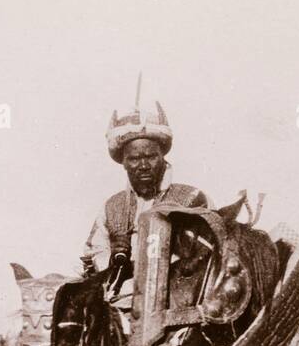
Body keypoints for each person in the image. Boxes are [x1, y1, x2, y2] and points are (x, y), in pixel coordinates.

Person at [81, 101, 207, 320]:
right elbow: (92, 253)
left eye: (150, 156)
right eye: (134, 159)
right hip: (120, 306)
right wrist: (112, 260)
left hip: (178, 307)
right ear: (124, 163)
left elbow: (203, 256)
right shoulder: (112, 207)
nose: (143, 165)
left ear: (162, 156)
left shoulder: (191, 199)